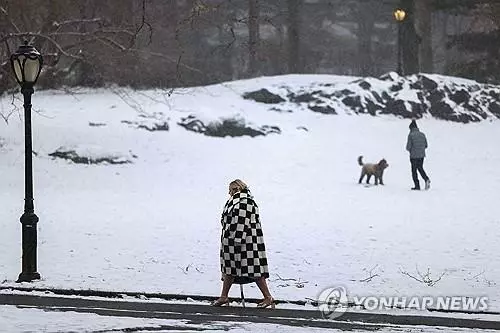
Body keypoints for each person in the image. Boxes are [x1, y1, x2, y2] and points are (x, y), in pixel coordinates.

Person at [212, 179, 274, 308]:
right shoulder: (234, 202)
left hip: (245, 243)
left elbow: (242, 222)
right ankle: (224, 297)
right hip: (230, 241)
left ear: (239, 188)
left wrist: (237, 240)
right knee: (229, 270)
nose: (231, 192)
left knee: (254, 270)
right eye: (230, 190)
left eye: (233, 189)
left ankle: (268, 297)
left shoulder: (244, 202)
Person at [406, 120, 430, 190]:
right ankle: (426, 179)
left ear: (411, 128)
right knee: (420, 168)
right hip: (422, 155)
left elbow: (408, 147)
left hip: (413, 156)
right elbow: (426, 145)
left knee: (414, 171)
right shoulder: (422, 134)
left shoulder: (410, 135)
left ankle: (417, 186)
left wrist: (410, 150)